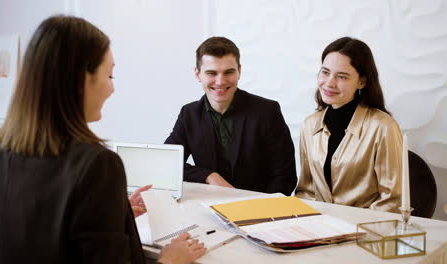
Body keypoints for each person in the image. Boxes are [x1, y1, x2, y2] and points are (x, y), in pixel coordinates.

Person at [0, 15, 205, 263]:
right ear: (81, 79)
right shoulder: (96, 165)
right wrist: (172, 259)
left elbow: (37, 225)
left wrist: (113, 212)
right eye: (109, 76)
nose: (112, 89)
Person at [165, 37, 297, 195]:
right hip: (210, 206)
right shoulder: (189, 114)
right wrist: (209, 176)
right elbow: (168, 162)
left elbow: (285, 177)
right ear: (197, 74)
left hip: (260, 209)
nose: (220, 81)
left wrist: (261, 208)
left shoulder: (267, 111)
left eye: (228, 72)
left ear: (239, 71)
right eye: (211, 73)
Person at [295, 37, 403, 213]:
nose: (329, 83)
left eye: (342, 76)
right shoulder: (309, 125)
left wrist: (352, 230)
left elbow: (392, 201)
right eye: (325, 72)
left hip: (365, 234)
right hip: (317, 230)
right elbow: (306, 191)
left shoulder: (384, 127)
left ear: (362, 81)